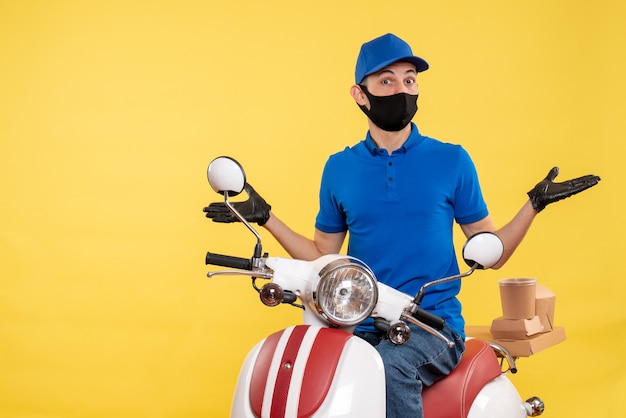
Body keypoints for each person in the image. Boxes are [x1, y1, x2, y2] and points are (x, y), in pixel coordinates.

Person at [204, 33, 600, 418]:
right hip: (358, 321)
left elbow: (490, 249)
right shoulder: (340, 168)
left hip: (432, 324)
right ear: (361, 94)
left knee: (390, 370)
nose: (401, 90)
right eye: (387, 80)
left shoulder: (451, 161)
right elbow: (323, 255)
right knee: (308, 367)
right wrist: (266, 216)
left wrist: (533, 205)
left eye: (409, 80)